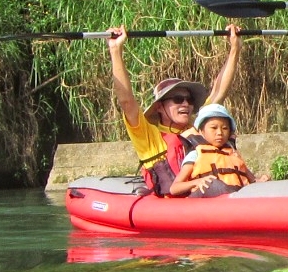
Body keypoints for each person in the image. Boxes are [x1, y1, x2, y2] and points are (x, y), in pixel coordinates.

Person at [106, 23, 242, 195]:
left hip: (210, 198)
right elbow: (126, 102)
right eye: (178, 99)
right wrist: (115, 50)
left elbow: (218, 92)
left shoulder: (198, 128)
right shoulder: (149, 136)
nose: (186, 104)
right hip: (176, 207)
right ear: (159, 107)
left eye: (189, 99)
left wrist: (235, 48)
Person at [168, 103, 255, 197]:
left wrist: (261, 180)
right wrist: (197, 182)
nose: (220, 133)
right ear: (201, 131)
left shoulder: (233, 154)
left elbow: (253, 180)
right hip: (205, 199)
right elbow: (174, 188)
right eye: (213, 128)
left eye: (225, 128)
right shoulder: (195, 154)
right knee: (212, 184)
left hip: (234, 197)